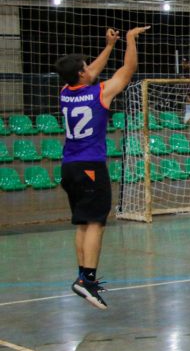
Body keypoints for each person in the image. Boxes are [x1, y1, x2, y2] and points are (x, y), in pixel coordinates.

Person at [54, 25, 150, 309]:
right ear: (82, 74)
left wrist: (108, 46)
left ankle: (84, 277)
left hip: (69, 166)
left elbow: (91, 72)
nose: (89, 68)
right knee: (96, 222)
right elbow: (128, 69)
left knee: (83, 223)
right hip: (90, 166)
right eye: (86, 66)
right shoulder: (100, 94)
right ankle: (87, 280)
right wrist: (129, 40)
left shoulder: (64, 92)